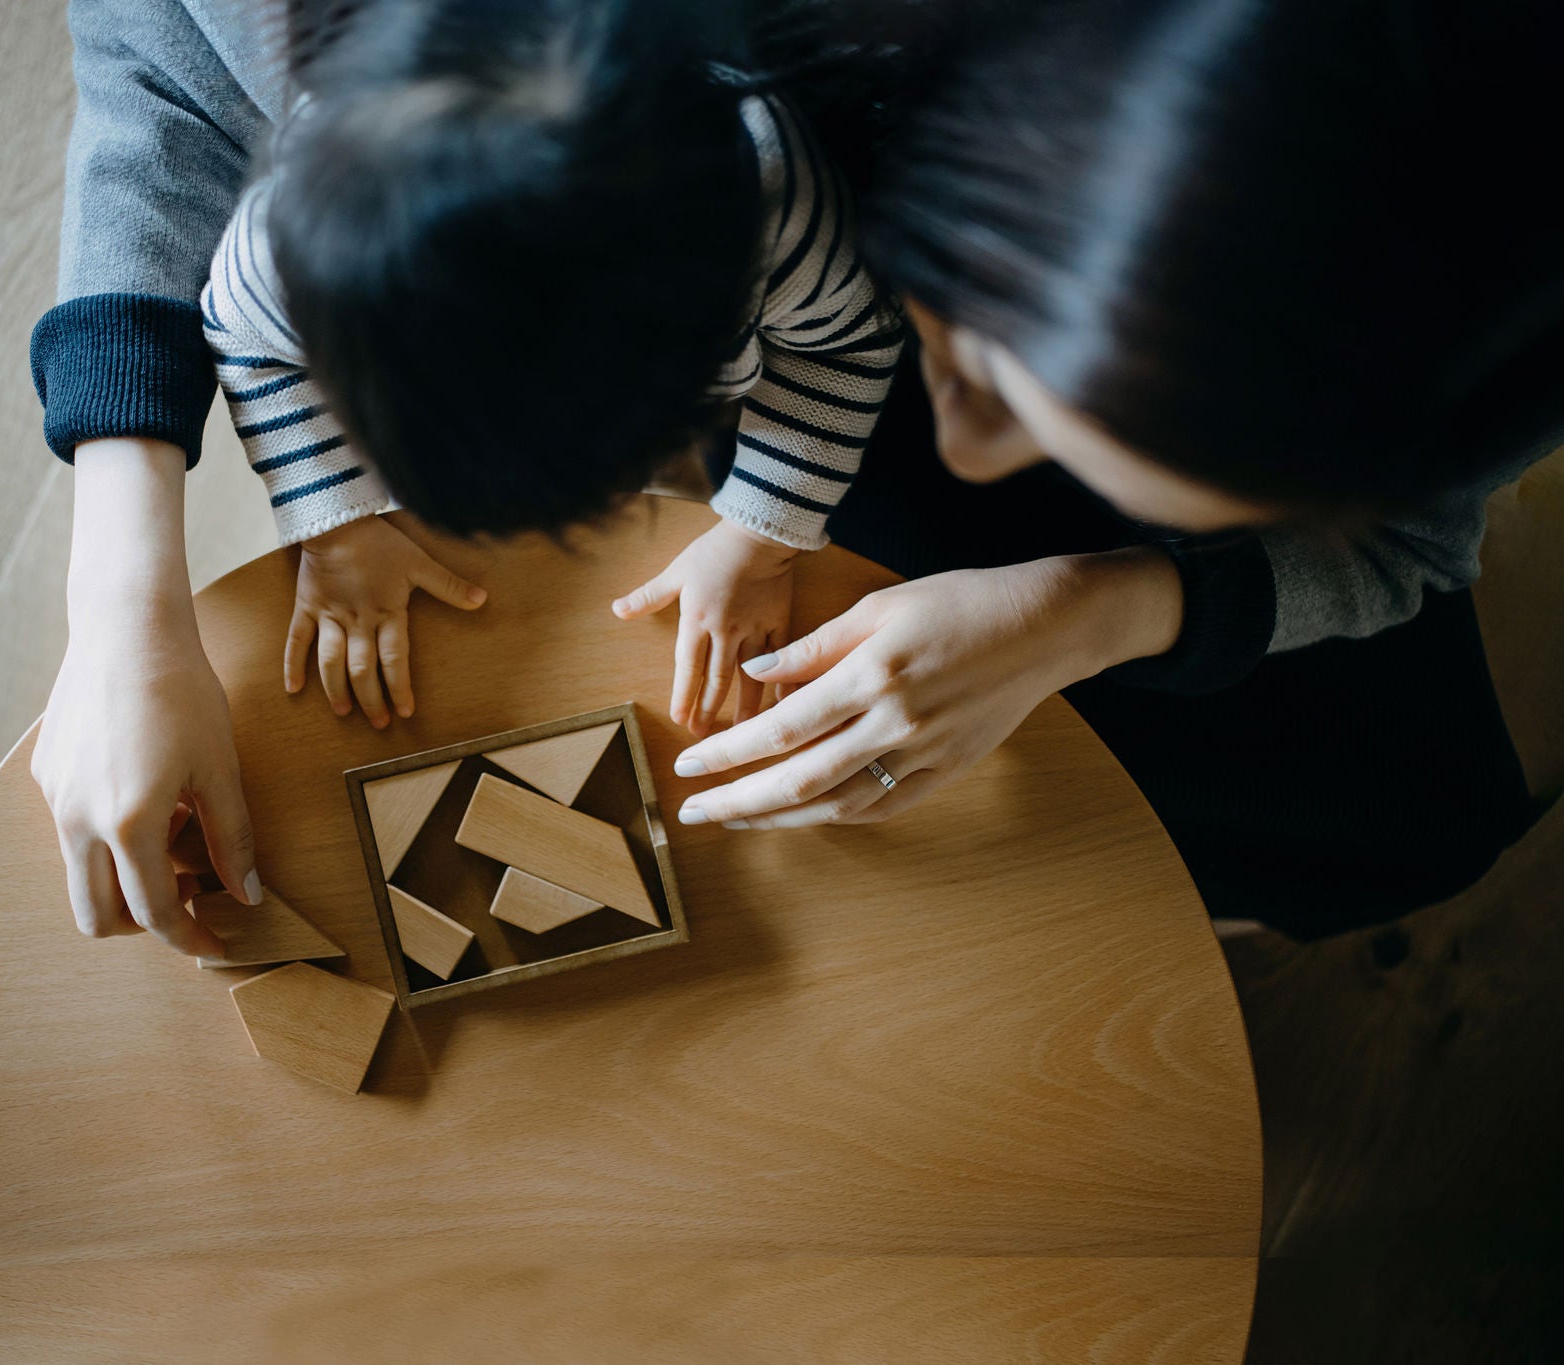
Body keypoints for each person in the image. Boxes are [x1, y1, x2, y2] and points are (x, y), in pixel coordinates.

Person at [667, 0, 1563, 934]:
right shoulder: (757, 113)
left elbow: (1403, 550)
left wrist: (1097, 610)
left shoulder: (1489, 322)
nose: (967, 456)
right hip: (852, 395)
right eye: (979, 373)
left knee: (1415, 826)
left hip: (1217, 572)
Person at [29, 0, 897, 952]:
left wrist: (764, 532)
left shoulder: (764, 191)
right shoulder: (285, 244)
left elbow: (850, 343)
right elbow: (246, 343)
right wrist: (339, 522)